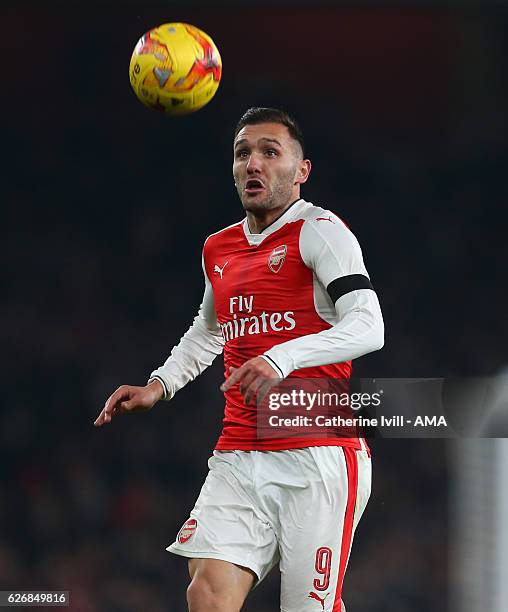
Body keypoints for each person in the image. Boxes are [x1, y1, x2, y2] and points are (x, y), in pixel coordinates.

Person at [94, 107, 384, 612]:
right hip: (239, 450)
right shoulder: (219, 248)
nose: (254, 163)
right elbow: (209, 332)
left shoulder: (321, 231)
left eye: (270, 152)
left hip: (316, 454)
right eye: (243, 153)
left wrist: (282, 358)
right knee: (206, 592)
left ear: (301, 170)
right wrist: (158, 385)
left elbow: (368, 324)